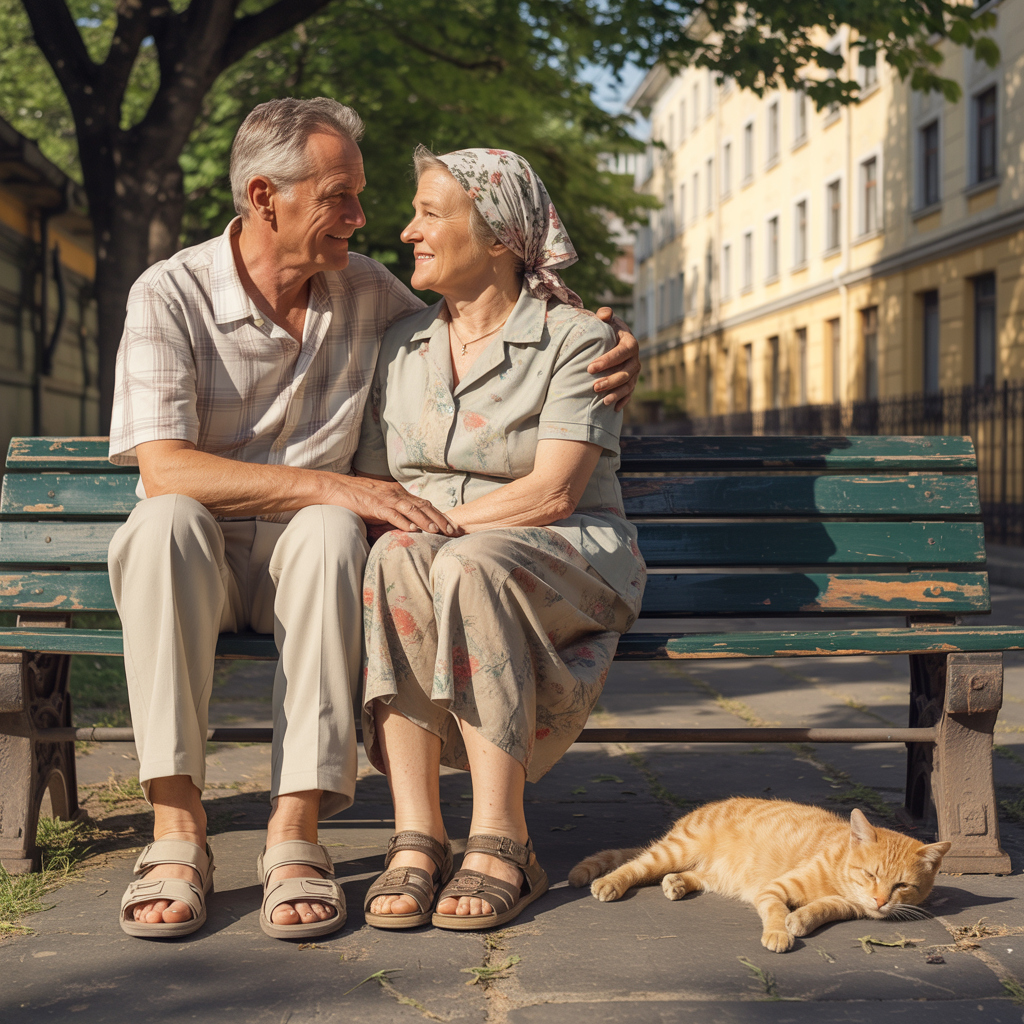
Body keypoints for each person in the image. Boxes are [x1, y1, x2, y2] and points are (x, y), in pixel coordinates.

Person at [106, 100, 641, 940]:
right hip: (202, 555)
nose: (372, 223)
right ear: (263, 196)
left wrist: (606, 340)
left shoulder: (370, 293)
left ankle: (299, 835)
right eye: (340, 197)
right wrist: (347, 492)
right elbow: (163, 467)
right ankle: (177, 832)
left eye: (376, 199)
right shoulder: (171, 293)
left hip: (336, 560)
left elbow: (502, 309)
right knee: (170, 518)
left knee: (340, 534)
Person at [356, 146, 647, 932]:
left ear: (497, 237)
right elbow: (384, 493)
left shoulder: (577, 340)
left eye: (429, 212)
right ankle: (417, 837)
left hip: (563, 552)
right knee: (396, 554)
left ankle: (502, 837)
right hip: (443, 553)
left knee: (465, 559)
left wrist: (436, 525)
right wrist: (412, 528)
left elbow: (553, 492)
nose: (408, 228)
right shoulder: (400, 347)